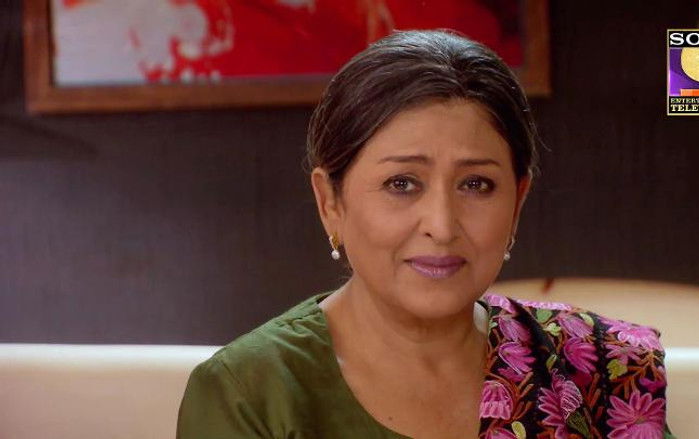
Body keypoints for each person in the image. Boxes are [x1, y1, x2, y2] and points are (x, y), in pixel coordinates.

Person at [177, 29, 673, 439]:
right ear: (330, 202)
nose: (441, 224)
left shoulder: (596, 367)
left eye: (476, 184)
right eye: (402, 183)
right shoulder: (251, 392)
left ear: (518, 202)